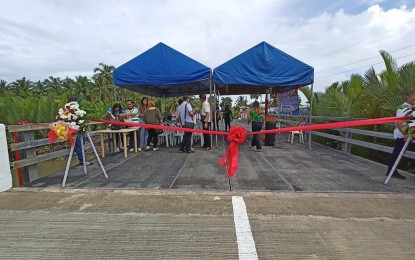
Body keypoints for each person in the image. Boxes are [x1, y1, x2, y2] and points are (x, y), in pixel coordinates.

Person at [386, 89, 415, 180]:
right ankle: (391, 171)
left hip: (411, 134)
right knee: (398, 153)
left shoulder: (413, 107)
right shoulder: (402, 107)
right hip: (403, 136)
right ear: (408, 97)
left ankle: (392, 170)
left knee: (399, 153)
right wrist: (406, 133)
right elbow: (399, 122)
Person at [68, 97, 93, 166]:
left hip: (81, 128)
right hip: (74, 130)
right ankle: (82, 160)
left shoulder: (79, 110)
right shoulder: (68, 112)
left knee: (82, 144)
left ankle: (81, 158)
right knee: (78, 145)